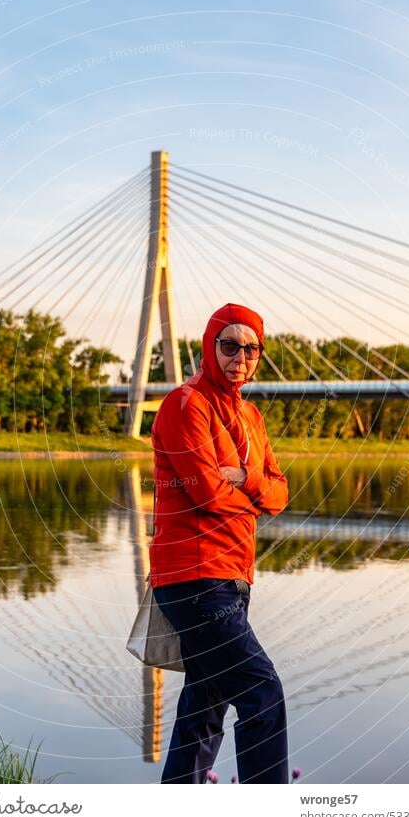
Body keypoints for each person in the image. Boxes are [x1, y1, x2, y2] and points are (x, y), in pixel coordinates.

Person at [150, 302, 289, 784]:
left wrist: (245, 477)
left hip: (233, 576)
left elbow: (281, 493)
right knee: (260, 689)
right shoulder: (184, 404)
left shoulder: (250, 415)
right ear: (210, 347)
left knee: (207, 700)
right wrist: (256, 493)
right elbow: (207, 494)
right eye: (229, 346)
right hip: (194, 577)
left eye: (251, 349)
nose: (240, 357)